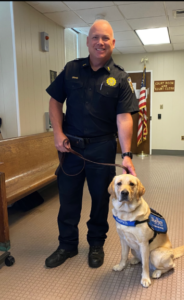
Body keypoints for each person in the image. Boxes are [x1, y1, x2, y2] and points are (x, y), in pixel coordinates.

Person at [45, 19, 139, 269]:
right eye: (95, 37)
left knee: (100, 198)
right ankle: (67, 245)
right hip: (71, 148)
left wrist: (127, 154)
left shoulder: (119, 77)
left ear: (113, 43)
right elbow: (55, 102)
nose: (100, 42)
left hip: (102, 148)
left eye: (105, 38)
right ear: (87, 41)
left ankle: (96, 244)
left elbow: (124, 118)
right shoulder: (71, 69)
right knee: (68, 198)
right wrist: (58, 133)